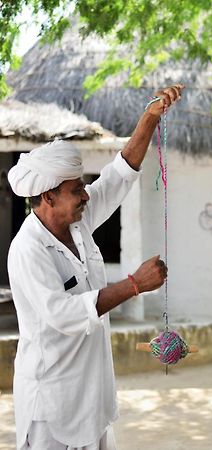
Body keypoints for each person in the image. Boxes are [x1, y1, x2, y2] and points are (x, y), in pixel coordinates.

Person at [7, 84, 184, 450]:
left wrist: (149, 117)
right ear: (47, 197)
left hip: (92, 394)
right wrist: (134, 284)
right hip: (51, 402)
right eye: (76, 189)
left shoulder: (77, 222)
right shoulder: (27, 249)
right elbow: (64, 314)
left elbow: (119, 174)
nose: (86, 194)